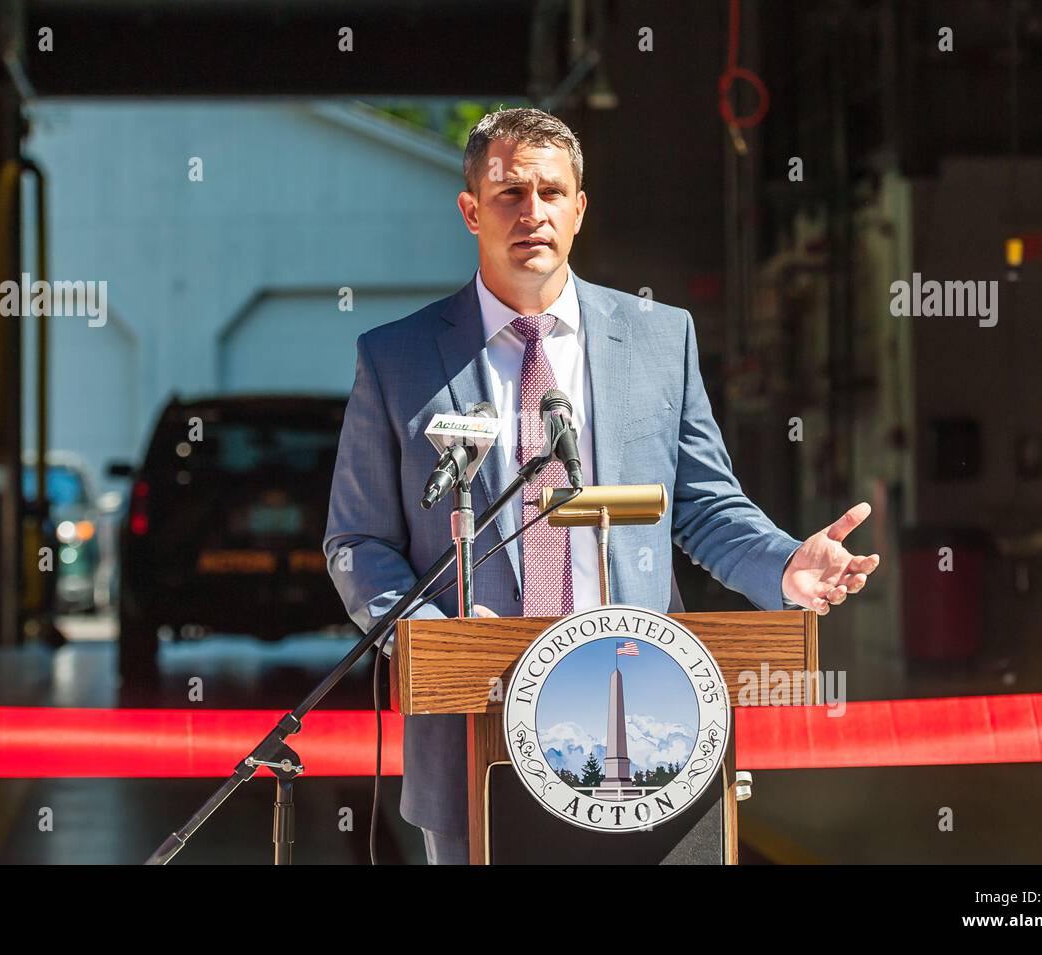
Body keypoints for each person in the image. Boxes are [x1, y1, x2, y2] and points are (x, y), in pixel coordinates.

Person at [324, 107, 880, 865]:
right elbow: (357, 539)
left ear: (579, 209)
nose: (533, 213)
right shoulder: (397, 359)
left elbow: (703, 505)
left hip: (647, 723)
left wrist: (782, 564)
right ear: (470, 210)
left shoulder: (660, 337)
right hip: (472, 741)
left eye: (552, 192)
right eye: (510, 193)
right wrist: (429, 633)